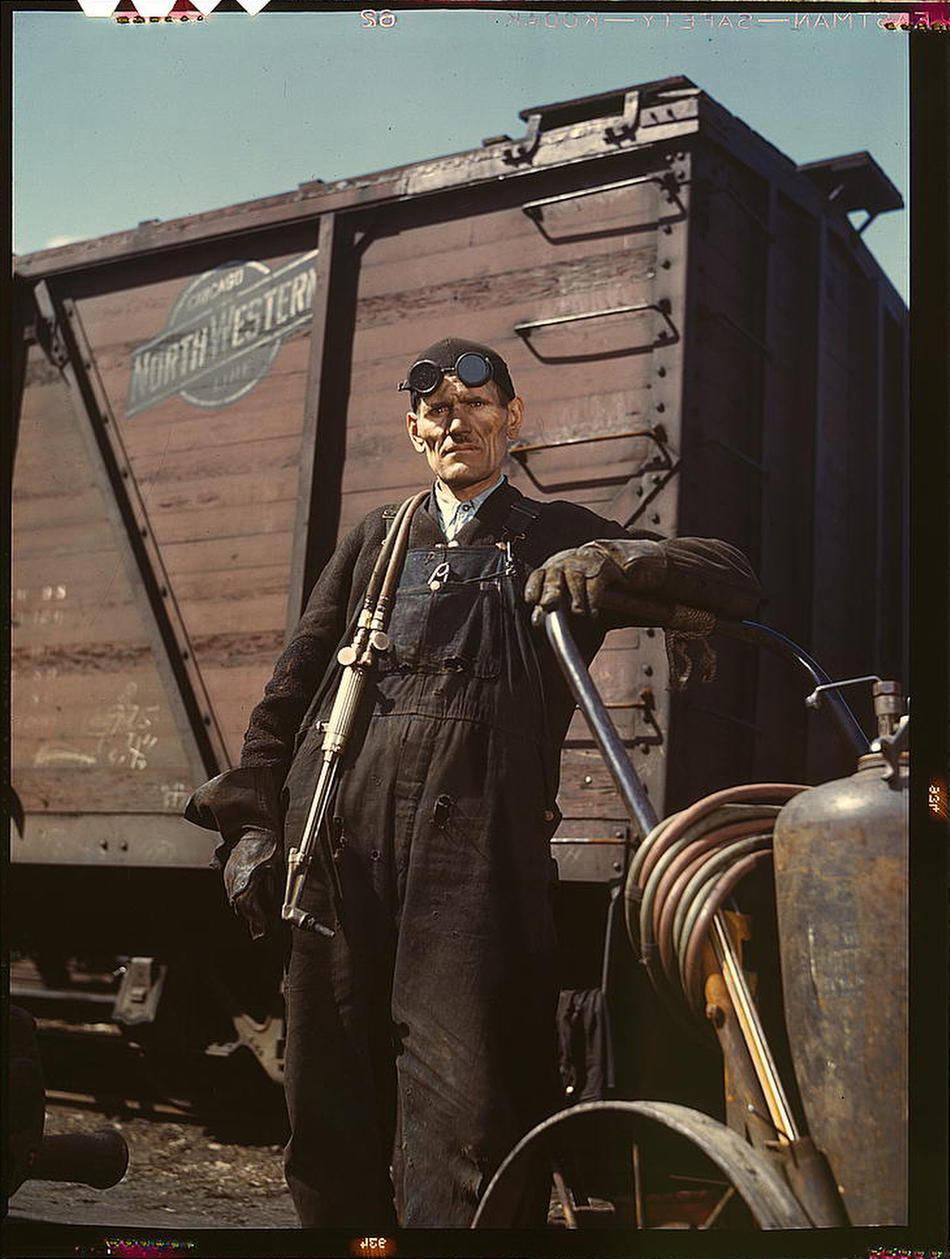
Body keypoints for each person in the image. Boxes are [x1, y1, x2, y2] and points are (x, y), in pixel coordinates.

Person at [185, 337, 761, 1229]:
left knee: (471, 1118)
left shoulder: (557, 534)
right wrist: (255, 827)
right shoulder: (378, 542)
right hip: (342, 853)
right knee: (328, 1106)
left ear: (512, 419)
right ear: (416, 431)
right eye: (439, 411)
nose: (458, 423)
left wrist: (618, 565)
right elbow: (288, 696)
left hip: (476, 867)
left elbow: (729, 574)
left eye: (476, 407)